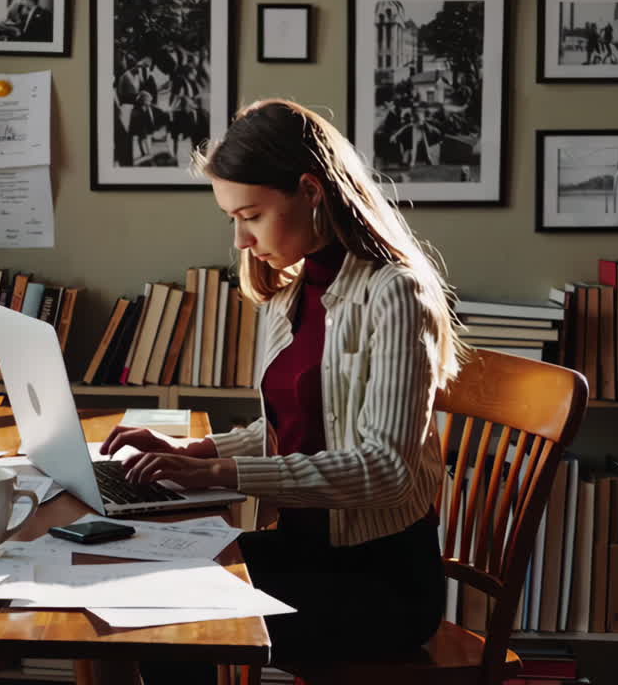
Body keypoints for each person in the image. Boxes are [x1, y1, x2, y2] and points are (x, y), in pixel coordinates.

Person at [98, 98, 463, 680]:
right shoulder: (293, 290)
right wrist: (197, 452)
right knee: (137, 573)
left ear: (311, 192)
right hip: (303, 549)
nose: (242, 240)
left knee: (169, 615)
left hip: (379, 583)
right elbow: (297, 426)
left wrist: (220, 476)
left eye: (252, 215)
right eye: (232, 220)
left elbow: (385, 468)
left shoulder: (395, 292)